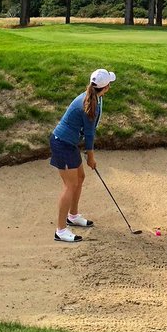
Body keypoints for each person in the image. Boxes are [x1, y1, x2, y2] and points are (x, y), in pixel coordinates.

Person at [50, 68, 116, 243]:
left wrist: (89, 155)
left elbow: (88, 133)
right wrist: (91, 157)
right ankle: (61, 230)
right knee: (70, 185)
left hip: (69, 144)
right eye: (109, 83)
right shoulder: (89, 104)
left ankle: (73, 216)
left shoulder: (95, 98)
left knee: (80, 177)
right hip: (62, 144)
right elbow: (89, 135)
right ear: (106, 87)